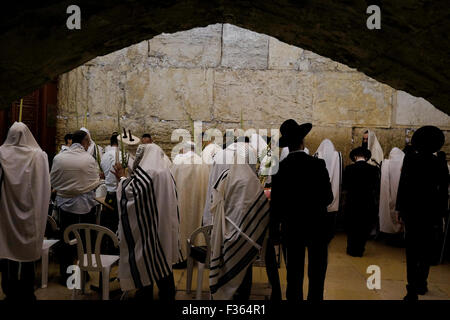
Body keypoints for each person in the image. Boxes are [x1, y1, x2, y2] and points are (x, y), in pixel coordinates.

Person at [271, 119, 333, 301]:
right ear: (302, 142)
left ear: (287, 146)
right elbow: (328, 198)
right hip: (317, 226)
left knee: (294, 274)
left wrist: (275, 231)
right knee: (317, 273)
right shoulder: (317, 164)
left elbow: (276, 205)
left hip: (292, 228)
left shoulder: (280, 170)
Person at [113, 143, 182, 300]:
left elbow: (130, 194)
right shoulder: (165, 172)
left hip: (149, 227)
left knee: (147, 260)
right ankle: (167, 294)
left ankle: (145, 294)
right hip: (163, 224)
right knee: (163, 261)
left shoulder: (149, 173)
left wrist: (122, 178)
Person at [207, 145, 270, 300]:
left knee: (230, 261)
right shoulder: (250, 179)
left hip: (228, 236)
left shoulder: (224, 179)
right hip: (246, 236)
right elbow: (259, 209)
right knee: (244, 265)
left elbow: (215, 207)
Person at [396, 126, 449, 301]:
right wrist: (441, 213)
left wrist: (399, 209)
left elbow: (403, 186)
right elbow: (443, 191)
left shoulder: (411, 160)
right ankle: (422, 282)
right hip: (431, 211)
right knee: (426, 249)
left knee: (412, 250)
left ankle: (411, 288)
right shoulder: (439, 162)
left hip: (412, 210)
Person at [0, 122, 51, 300]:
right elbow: (45, 186)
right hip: (31, 213)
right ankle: (27, 291)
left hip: (6, 212)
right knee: (28, 252)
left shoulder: (1, 153)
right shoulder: (38, 156)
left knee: (9, 250)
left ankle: (9, 290)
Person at [50, 130, 101, 281]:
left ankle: (66, 276)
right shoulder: (88, 159)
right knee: (84, 242)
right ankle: (82, 275)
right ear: (84, 141)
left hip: (64, 206)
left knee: (66, 240)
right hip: (85, 207)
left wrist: (68, 188)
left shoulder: (59, 158)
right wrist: (80, 187)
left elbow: (53, 181)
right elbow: (95, 181)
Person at [171, 141, 210, 261]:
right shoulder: (202, 163)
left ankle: (180, 255)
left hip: (181, 202)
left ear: (184, 149)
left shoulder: (178, 161)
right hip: (198, 203)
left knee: (182, 225)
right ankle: (195, 252)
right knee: (195, 225)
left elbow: (171, 181)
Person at [343, 146, 380, 257]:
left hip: (352, 202)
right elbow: (376, 187)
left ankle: (351, 249)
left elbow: (345, 186)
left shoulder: (349, 169)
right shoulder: (374, 170)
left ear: (355, 157)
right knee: (364, 226)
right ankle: (360, 250)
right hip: (367, 202)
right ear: (366, 157)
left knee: (352, 226)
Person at [379, 147, 405, 234]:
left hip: (389, 193)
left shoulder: (387, 164)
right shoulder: (404, 163)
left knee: (391, 211)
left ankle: (391, 231)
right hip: (402, 194)